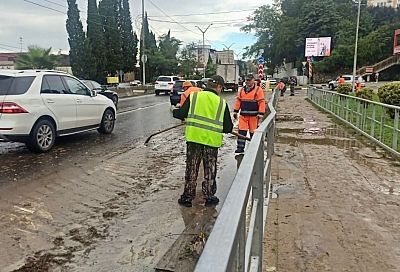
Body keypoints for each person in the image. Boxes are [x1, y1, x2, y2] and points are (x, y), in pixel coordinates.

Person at [173, 75, 234, 207]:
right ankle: (209, 197)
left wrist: (174, 112)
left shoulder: (194, 97)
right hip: (211, 142)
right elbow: (228, 127)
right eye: (221, 88)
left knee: (192, 167)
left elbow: (181, 113)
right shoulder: (221, 103)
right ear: (218, 87)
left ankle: (187, 197)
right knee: (210, 169)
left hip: (194, 139)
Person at [233, 74, 266, 154]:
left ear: (253, 80)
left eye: (249, 80)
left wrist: (261, 113)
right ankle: (240, 148)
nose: (248, 82)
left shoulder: (258, 90)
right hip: (243, 115)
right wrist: (235, 111)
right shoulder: (242, 90)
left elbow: (261, 102)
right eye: (246, 80)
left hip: (254, 116)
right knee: (241, 132)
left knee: (253, 132)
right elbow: (238, 101)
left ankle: (254, 148)